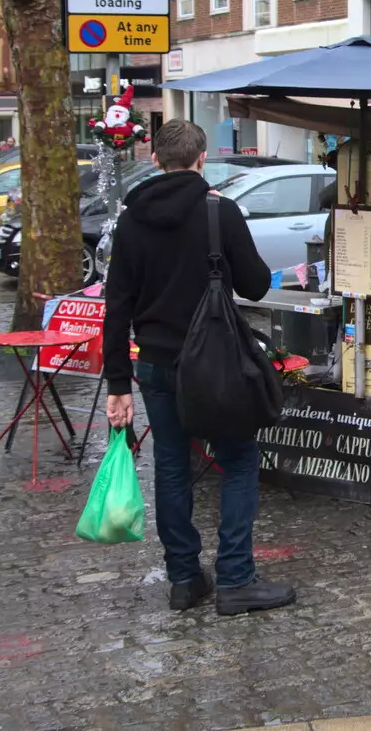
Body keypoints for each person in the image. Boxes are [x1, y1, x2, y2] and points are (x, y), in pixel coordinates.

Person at [102, 120, 295, 616]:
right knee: (237, 459)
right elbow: (253, 285)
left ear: (154, 159)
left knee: (170, 465)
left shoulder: (131, 219)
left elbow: (117, 306)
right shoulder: (220, 211)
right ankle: (234, 578)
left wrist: (118, 383)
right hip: (214, 363)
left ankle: (184, 579)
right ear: (202, 158)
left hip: (157, 366)